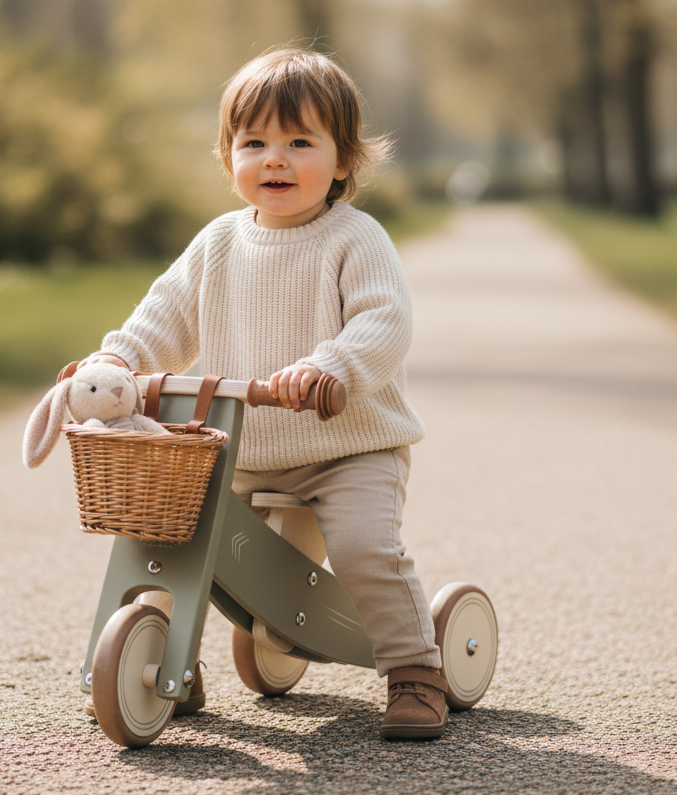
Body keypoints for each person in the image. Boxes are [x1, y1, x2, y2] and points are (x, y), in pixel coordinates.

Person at [80, 48, 447, 739]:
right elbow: (163, 315)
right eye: (254, 143)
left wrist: (332, 365)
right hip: (243, 448)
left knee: (366, 546)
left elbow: (384, 321)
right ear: (229, 158)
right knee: (168, 531)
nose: (274, 159)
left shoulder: (353, 239)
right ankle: (167, 660)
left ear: (343, 161)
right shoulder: (217, 243)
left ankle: (415, 667)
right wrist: (116, 360)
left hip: (348, 447)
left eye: (299, 142)